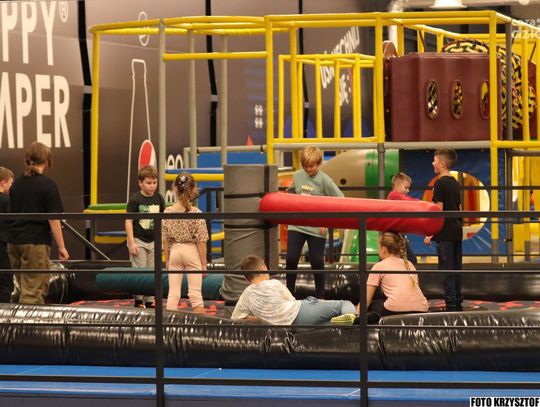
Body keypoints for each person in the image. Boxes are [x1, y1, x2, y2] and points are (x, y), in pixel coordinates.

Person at [7, 142, 69, 304]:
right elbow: (54, 219)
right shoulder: (48, 184)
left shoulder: (16, 184)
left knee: (24, 289)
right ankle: (27, 322)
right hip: (34, 242)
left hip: (13, 242)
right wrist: (62, 247)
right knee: (33, 293)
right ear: (47, 160)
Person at [286, 145, 344, 299]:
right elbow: (292, 193)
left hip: (317, 227)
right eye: (305, 166)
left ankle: (320, 296)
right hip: (297, 224)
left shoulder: (325, 180)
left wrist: (327, 221)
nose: (308, 169)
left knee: (317, 261)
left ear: (319, 164)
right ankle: (289, 294)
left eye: (311, 166)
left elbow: (340, 200)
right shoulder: (298, 176)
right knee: (291, 258)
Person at [232, 255, 357, 325]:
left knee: (328, 324)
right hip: (299, 312)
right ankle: (355, 319)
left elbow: (236, 318)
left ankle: (344, 321)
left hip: (293, 327)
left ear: (247, 278)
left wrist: (261, 319)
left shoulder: (246, 295)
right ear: (263, 268)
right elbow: (292, 302)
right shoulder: (273, 284)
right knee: (344, 304)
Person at [162, 173, 208, 313]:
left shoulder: (167, 212)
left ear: (174, 188)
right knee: (195, 293)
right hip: (191, 250)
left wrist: (167, 260)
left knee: (173, 293)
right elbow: (201, 241)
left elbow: (165, 239)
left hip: (175, 251)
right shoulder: (196, 213)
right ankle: (201, 324)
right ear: (193, 190)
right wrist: (203, 263)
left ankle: (168, 323)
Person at [424, 149, 463, 311]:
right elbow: (459, 208)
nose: (432, 163)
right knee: (456, 268)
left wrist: (430, 233)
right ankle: (457, 300)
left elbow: (438, 211)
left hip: (445, 232)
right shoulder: (455, 182)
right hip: (456, 230)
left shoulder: (440, 183)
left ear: (442, 164)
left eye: (434, 160)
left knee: (446, 268)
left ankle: (451, 304)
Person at [364, 232, 428, 323]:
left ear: (383, 249)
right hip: (422, 308)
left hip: (396, 309)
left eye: (378, 247)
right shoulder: (409, 264)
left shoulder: (378, 266)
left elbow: (365, 300)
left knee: (374, 305)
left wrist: (355, 317)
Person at [125, 165, 166, 308]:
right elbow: (128, 221)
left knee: (152, 270)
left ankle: (149, 299)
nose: (152, 186)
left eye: (154, 182)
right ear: (140, 183)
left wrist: (162, 240)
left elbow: (162, 220)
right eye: (148, 183)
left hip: (154, 240)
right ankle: (138, 300)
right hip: (138, 239)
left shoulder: (159, 198)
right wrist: (131, 242)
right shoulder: (135, 199)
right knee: (140, 270)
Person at [387, 172, 418, 265]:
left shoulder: (399, 196)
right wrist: (423, 204)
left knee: (406, 259)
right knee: (411, 259)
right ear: (397, 186)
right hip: (394, 234)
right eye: (406, 187)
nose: (407, 190)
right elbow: (410, 202)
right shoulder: (394, 195)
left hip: (397, 234)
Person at [0, 167, 14, 302]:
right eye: (10, 183)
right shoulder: (6, 200)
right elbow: (12, 222)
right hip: (2, 244)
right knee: (5, 284)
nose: (11, 187)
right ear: (3, 183)